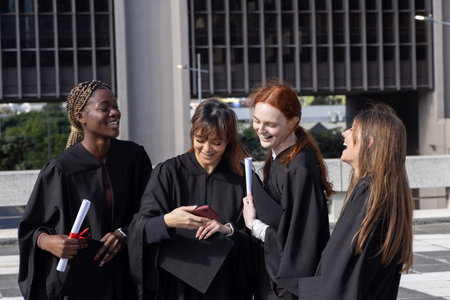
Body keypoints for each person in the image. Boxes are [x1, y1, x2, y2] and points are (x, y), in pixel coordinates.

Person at [18, 80, 152, 300]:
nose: (114, 112)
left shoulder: (134, 157)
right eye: (104, 108)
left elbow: (153, 208)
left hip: (129, 276)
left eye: (115, 106)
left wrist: (125, 232)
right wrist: (48, 242)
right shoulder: (61, 169)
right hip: (82, 281)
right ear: (81, 117)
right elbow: (31, 228)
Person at [128, 99, 255, 300]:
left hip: (226, 287)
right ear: (192, 134)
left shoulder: (242, 179)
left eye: (217, 142)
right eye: (200, 140)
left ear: (229, 140)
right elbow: (139, 228)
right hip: (176, 287)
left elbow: (257, 240)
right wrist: (168, 221)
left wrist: (229, 230)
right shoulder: (168, 173)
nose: (207, 149)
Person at [298, 104, 414, 299]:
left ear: (370, 142)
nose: (345, 133)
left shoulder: (369, 196)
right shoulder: (384, 195)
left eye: (352, 129)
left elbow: (339, 276)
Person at [242, 82, 334, 299]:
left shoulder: (298, 168)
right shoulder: (280, 158)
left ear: (293, 122)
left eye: (270, 124)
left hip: (289, 288)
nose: (261, 130)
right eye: (256, 121)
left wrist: (254, 225)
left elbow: (299, 243)